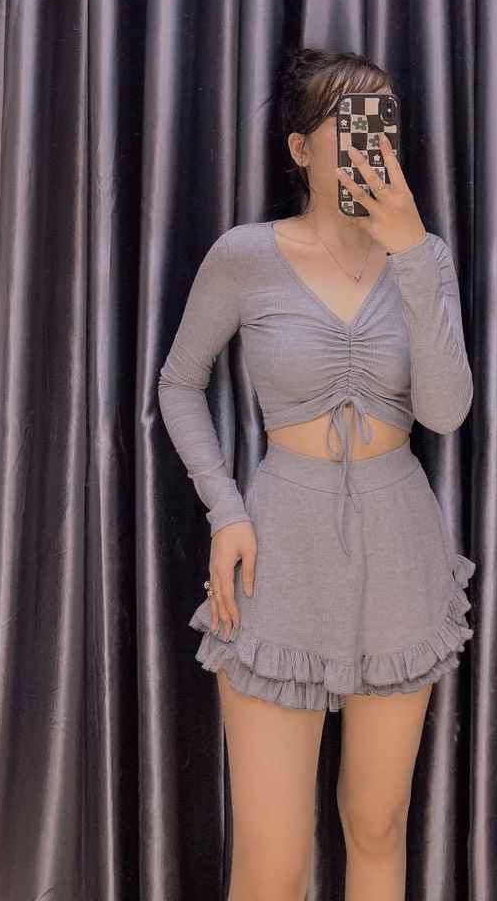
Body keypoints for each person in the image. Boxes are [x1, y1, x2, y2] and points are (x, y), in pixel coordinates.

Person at [157, 47, 475, 900]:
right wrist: (226, 509)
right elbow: (179, 383)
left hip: (400, 545)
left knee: (377, 824)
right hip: (280, 545)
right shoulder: (246, 256)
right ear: (301, 149)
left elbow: (446, 412)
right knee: (273, 859)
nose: (375, 141)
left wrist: (411, 253)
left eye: (386, 122)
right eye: (352, 122)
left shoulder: (426, 256)